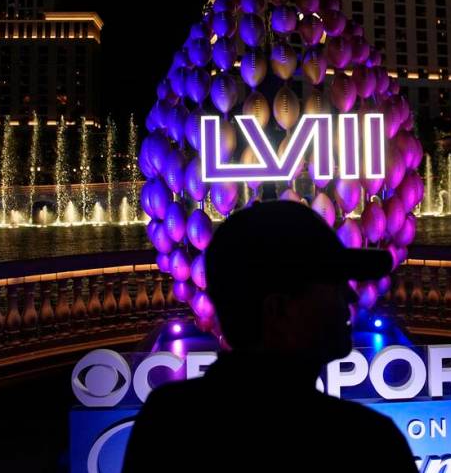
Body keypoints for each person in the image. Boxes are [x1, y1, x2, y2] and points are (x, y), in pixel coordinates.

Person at [123, 200, 417, 472]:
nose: (350, 295)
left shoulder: (167, 422)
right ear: (277, 310)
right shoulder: (365, 444)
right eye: (333, 283)